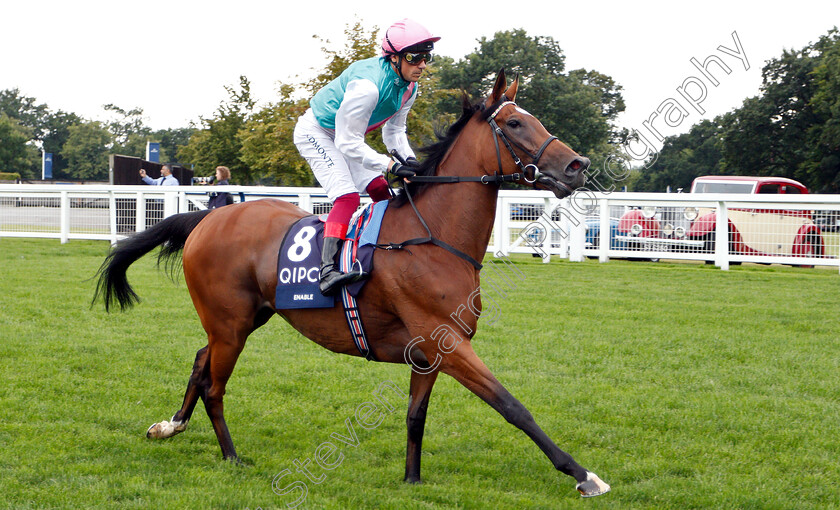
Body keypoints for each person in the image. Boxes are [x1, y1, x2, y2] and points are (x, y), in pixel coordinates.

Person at [293, 18, 439, 296]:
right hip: (317, 132)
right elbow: (347, 142)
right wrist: (390, 164)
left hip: (343, 136)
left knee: (380, 190)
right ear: (394, 57)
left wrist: (410, 164)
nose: (421, 64)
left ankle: (388, 257)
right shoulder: (368, 88)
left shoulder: (410, 86)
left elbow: (394, 132)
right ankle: (327, 272)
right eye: (414, 57)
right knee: (347, 197)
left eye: (426, 57)